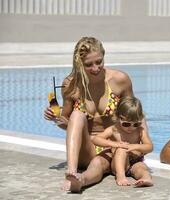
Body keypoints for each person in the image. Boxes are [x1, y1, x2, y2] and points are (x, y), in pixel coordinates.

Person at [44, 37, 148, 192]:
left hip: (114, 147)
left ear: (104, 56)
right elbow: (69, 124)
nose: (95, 68)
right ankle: (71, 171)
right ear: (79, 63)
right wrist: (57, 120)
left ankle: (80, 181)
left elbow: (136, 114)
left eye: (99, 62)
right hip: (87, 149)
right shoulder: (71, 85)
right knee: (77, 114)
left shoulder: (120, 80)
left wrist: (140, 145)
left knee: (99, 165)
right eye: (88, 64)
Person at [93, 96, 153, 187]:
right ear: (117, 117)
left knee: (142, 168)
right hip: (118, 165)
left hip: (135, 162)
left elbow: (149, 147)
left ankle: (146, 178)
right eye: (126, 124)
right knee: (121, 149)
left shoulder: (140, 130)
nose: (131, 127)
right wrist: (115, 144)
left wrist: (135, 146)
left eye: (136, 124)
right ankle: (120, 176)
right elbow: (96, 139)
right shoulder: (114, 129)